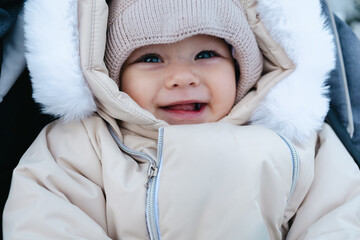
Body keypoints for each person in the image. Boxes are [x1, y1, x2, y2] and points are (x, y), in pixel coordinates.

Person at [3, 0, 360, 239]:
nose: (182, 77)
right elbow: (46, 220)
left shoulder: (296, 141)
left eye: (206, 54)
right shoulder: (84, 144)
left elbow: (341, 216)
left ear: (241, 67)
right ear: (113, 78)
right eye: (151, 59)